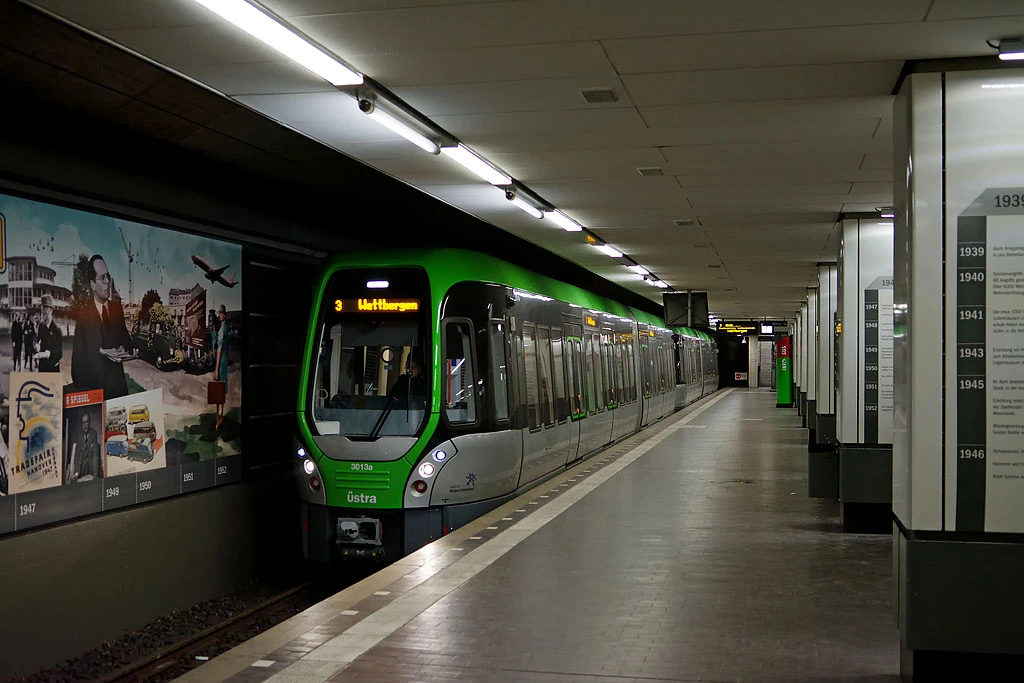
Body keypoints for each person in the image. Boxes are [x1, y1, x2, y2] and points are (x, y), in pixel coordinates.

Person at [71, 255, 132, 399]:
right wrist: (100, 352)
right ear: (92, 285)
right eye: (102, 278)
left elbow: (127, 342)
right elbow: (77, 367)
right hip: (96, 393)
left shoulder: (117, 309)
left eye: (108, 276)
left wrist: (123, 348)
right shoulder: (83, 316)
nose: (107, 282)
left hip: (118, 392)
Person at [66, 411, 101, 483]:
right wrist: (76, 472)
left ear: (89, 422)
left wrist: (95, 473)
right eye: (83, 422)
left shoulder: (93, 433)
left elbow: (95, 455)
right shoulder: (78, 435)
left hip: (91, 470)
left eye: (86, 422)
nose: (85, 425)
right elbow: (76, 454)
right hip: (81, 470)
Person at [34, 295, 63, 373]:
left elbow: (59, 353)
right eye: (42, 308)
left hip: (52, 369)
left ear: (51, 310)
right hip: (42, 368)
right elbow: (38, 340)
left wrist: (47, 354)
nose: (42, 311)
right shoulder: (41, 326)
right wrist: (37, 346)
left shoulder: (57, 329)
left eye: (45, 309)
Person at [214, 304, 229, 389]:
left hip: (222, 359)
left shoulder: (222, 329)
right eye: (219, 313)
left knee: (219, 387)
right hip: (225, 358)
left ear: (225, 315)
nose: (220, 315)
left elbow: (220, 349)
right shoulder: (226, 326)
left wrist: (216, 369)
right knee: (222, 386)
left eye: (221, 313)